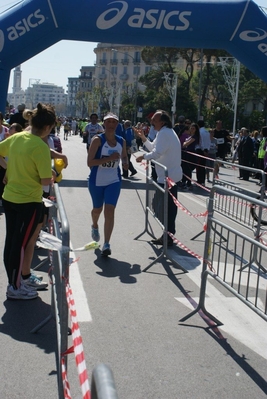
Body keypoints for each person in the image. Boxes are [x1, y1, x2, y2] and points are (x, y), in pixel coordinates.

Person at [0, 103, 55, 300]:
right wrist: (54, 173)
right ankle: (15, 287)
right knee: (20, 245)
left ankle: (17, 281)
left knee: (12, 243)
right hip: (28, 202)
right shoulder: (40, 146)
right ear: (48, 127)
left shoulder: (16, 137)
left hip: (10, 197)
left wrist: (7, 169)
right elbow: (45, 181)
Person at [135, 110, 182, 247]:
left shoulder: (165, 133)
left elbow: (157, 153)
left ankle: (168, 236)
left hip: (169, 178)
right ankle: (167, 235)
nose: (152, 122)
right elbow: (152, 147)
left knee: (166, 209)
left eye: (154, 120)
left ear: (163, 122)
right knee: (160, 207)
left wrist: (143, 157)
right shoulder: (162, 133)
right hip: (165, 178)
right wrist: (143, 138)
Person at [87, 112, 128, 256]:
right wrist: (108, 158)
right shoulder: (97, 140)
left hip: (114, 180)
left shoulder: (121, 140)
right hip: (97, 180)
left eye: (114, 122)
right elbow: (90, 163)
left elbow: (124, 156)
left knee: (109, 210)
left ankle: (106, 244)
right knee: (97, 210)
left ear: (117, 124)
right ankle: (94, 225)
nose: (111, 125)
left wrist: (125, 163)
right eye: (108, 122)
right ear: (104, 124)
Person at [181, 123, 200, 190]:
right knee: (185, 168)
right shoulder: (190, 136)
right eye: (191, 128)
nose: (192, 129)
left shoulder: (195, 137)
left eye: (193, 128)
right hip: (186, 153)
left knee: (188, 169)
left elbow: (185, 144)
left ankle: (188, 183)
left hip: (191, 154)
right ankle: (184, 181)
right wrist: (185, 143)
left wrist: (185, 143)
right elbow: (184, 144)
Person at [196, 120, 211, 186]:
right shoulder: (207, 132)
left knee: (199, 166)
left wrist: (203, 150)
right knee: (203, 166)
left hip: (200, 150)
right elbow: (208, 142)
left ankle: (199, 180)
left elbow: (201, 142)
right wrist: (207, 150)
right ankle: (202, 180)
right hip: (206, 150)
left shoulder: (199, 132)